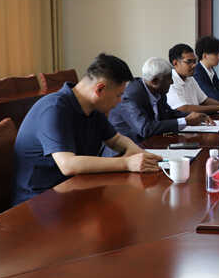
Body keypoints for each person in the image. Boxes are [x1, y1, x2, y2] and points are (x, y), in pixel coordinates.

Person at [12, 53, 162, 206]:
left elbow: (116, 139)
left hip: (73, 189)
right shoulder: (54, 108)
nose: (119, 102)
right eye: (118, 95)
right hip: (38, 201)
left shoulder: (93, 108)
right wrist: (127, 163)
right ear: (100, 89)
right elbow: (68, 165)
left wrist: (136, 152)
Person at [107, 57, 210, 146]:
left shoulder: (158, 90)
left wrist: (194, 116)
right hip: (127, 149)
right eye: (169, 78)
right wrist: (186, 121)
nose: (172, 82)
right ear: (155, 81)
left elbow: (169, 114)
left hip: (152, 143)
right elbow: (145, 129)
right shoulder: (131, 95)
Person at [166, 43, 219, 113]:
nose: (194, 65)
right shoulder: (170, 81)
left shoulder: (190, 78)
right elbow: (184, 108)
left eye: (194, 61)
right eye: (189, 61)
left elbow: (204, 100)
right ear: (175, 63)